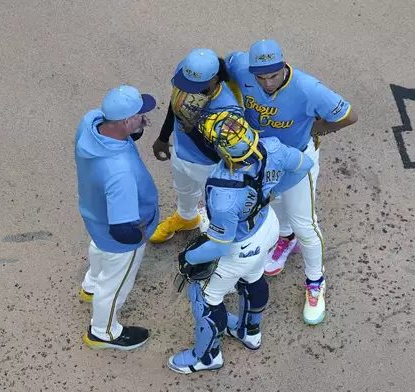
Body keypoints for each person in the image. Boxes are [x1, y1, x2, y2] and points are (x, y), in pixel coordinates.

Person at [167, 108, 314, 374]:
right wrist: (275, 191)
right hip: (266, 227)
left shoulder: (224, 191)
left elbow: (219, 245)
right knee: (254, 278)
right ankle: (249, 332)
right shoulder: (272, 147)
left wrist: (187, 257)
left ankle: (208, 357)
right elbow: (305, 165)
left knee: (205, 296)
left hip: (237, 246)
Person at [224, 39, 359, 325]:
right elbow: (224, 67)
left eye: (273, 75)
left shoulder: (308, 88)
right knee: (277, 202)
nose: (267, 82)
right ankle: (285, 239)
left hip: (298, 160)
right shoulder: (241, 67)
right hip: (263, 158)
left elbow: (349, 116)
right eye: (261, 77)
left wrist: (310, 129)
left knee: (305, 223)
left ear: (284, 65)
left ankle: (315, 282)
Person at [74, 85, 159, 350]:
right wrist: (140, 236)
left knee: (98, 249)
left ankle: (90, 285)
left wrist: (133, 130)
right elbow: (122, 230)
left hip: (95, 214)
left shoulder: (91, 123)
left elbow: (120, 136)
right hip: (119, 234)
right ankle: (103, 331)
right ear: (125, 120)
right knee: (114, 285)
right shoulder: (119, 173)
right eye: (139, 115)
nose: (144, 118)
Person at [149, 48, 240, 243]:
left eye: (194, 86)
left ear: (215, 79)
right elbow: (176, 104)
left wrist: (194, 133)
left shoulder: (229, 110)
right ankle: (187, 217)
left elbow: (222, 155)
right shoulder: (186, 73)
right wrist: (163, 137)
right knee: (184, 191)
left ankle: (217, 241)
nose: (187, 89)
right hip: (180, 154)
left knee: (216, 204)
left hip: (209, 166)